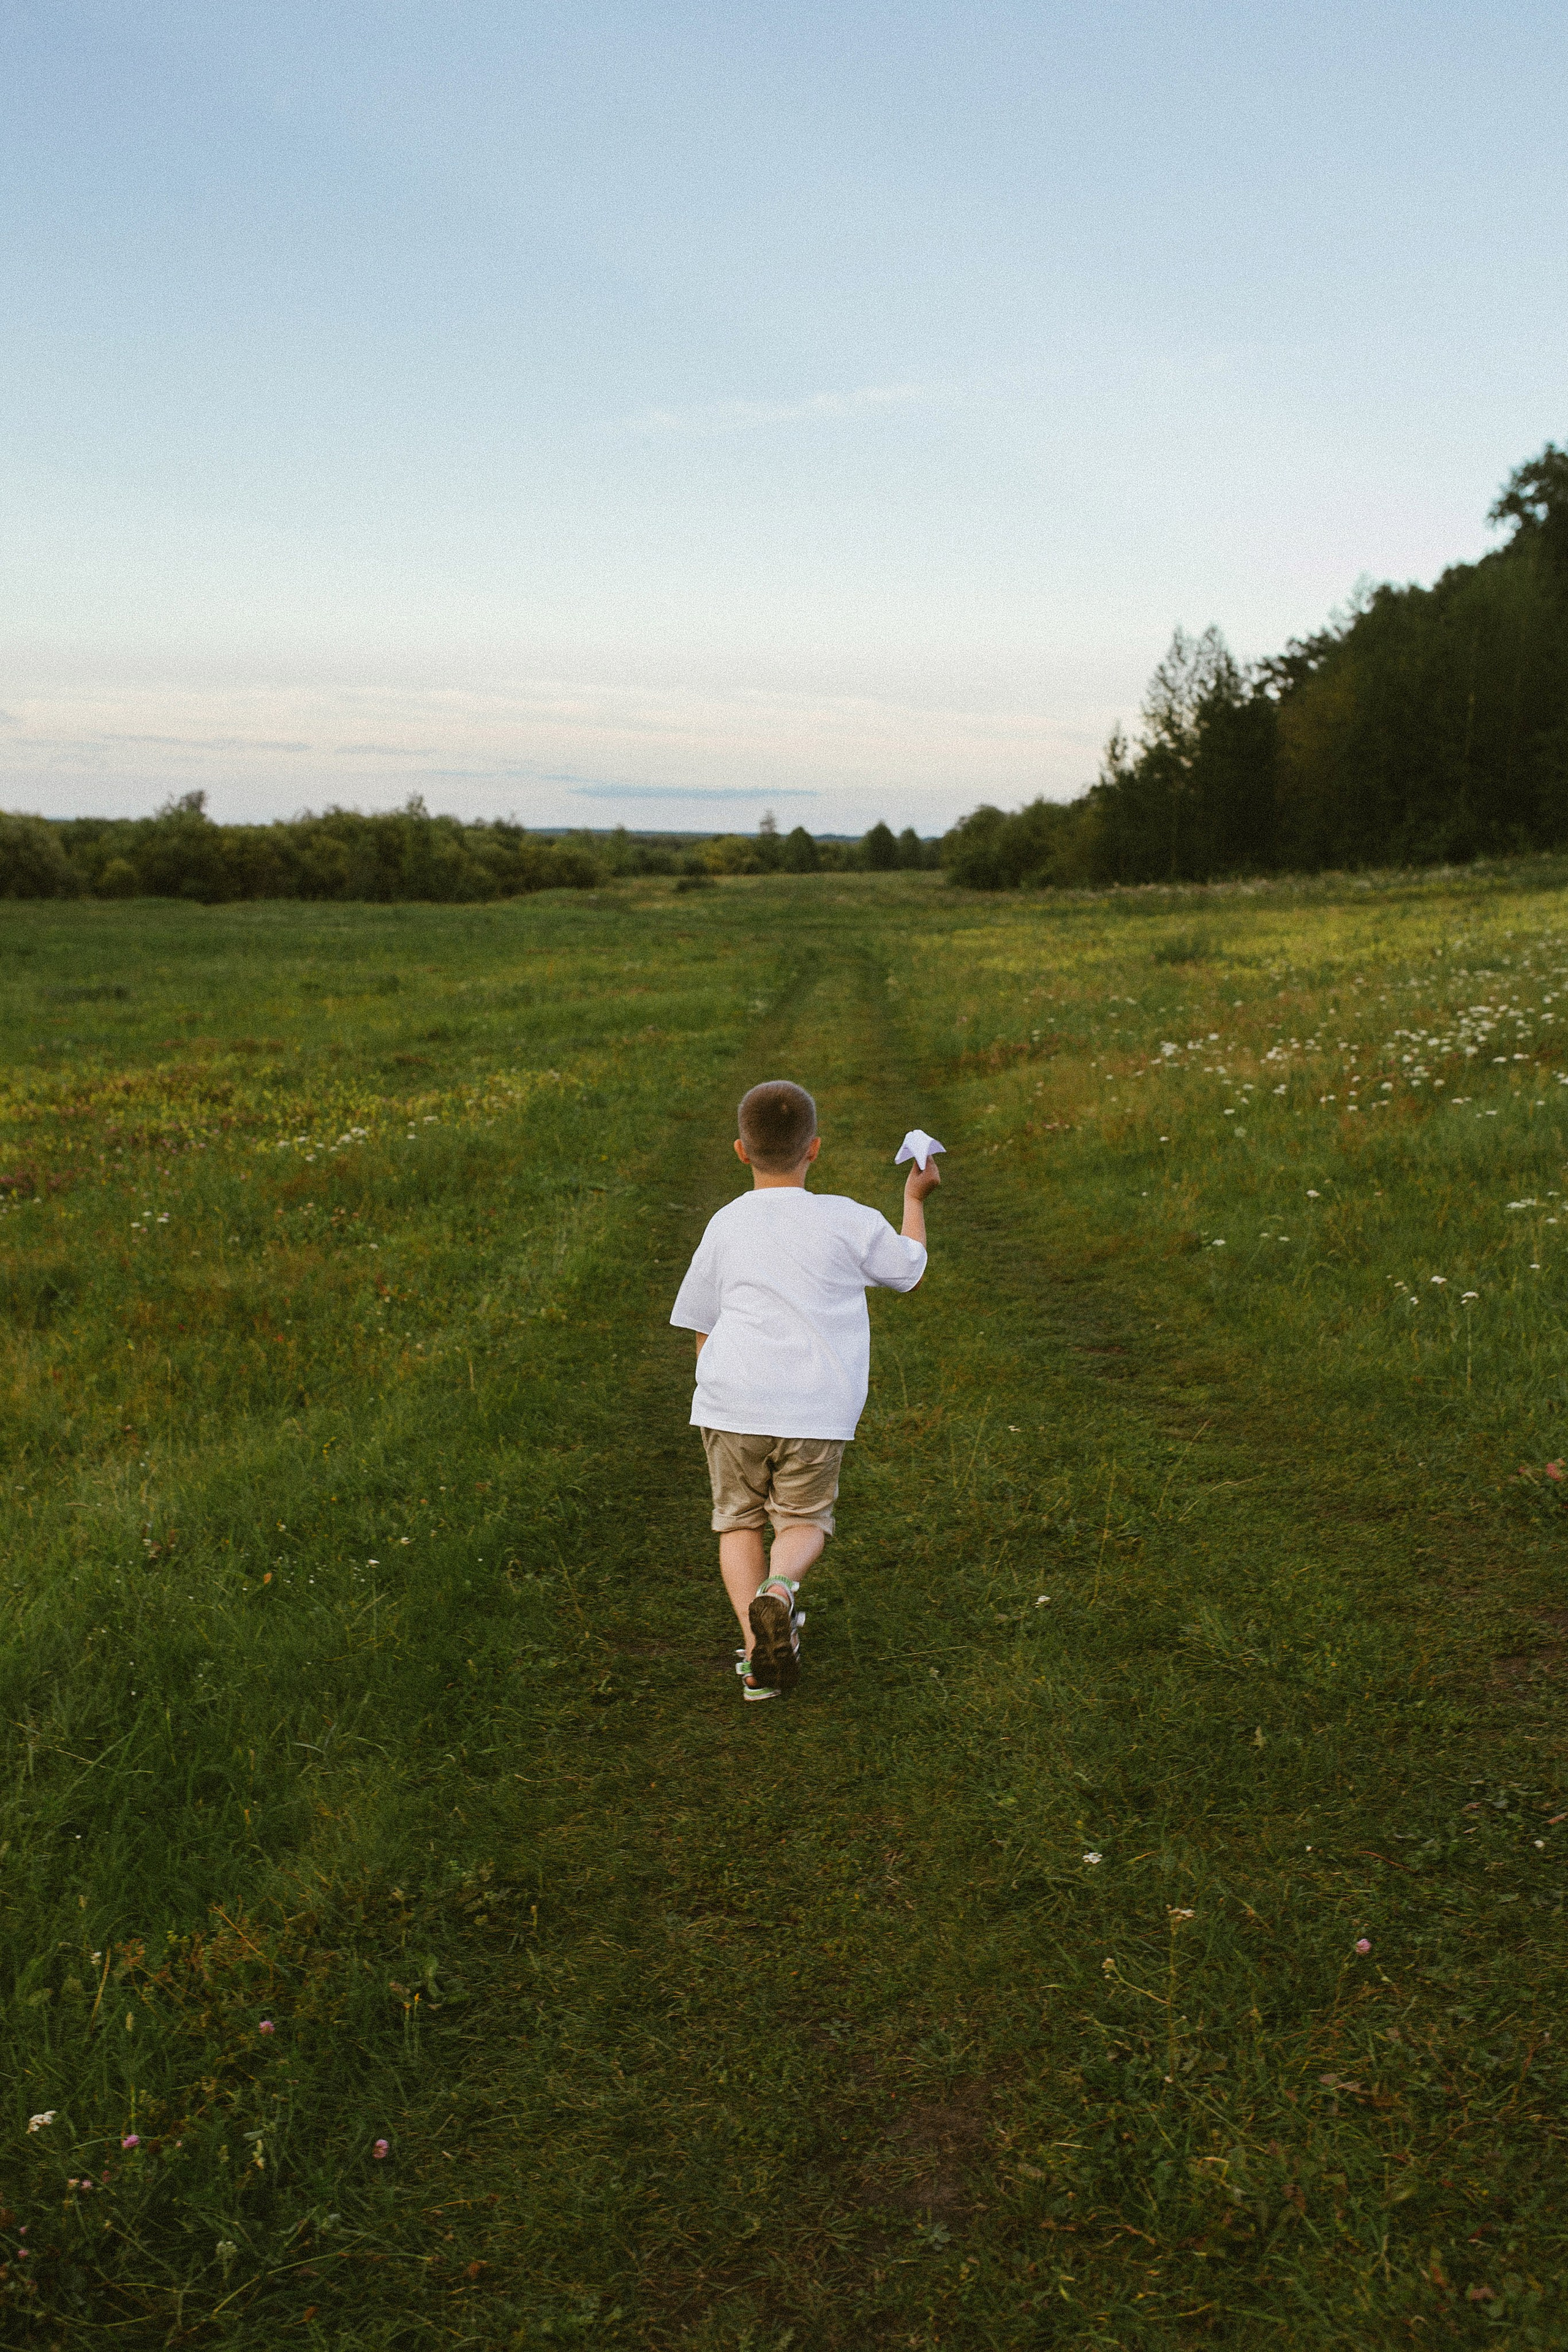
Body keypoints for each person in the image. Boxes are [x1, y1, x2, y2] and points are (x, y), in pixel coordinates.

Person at [669, 1079, 941, 1701]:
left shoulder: (725, 1224)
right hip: (817, 1407)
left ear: (741, 1151)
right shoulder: (847, 1219)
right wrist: (914, 1197)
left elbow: (701, 1322)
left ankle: (754, 1654)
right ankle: (780, 1590)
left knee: (737, 1524)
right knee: (803, 1519)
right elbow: (909, 1272)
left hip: (731, 1401)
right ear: (813, 1149)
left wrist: (712, 1386)